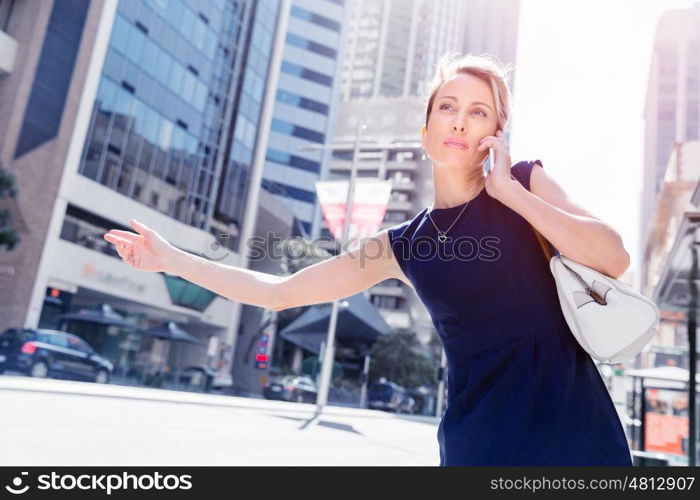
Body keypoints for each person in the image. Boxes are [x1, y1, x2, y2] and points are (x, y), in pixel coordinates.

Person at [103, 51, 633, 466]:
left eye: (479, 112)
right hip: (481, 443)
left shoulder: (524, 185)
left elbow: (614, 257)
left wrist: (512, 195)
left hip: (577, 433)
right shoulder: (401, 244)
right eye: (447, 107)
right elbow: (280, 293)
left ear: (495, 135)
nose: (460, 122)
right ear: (425, 131)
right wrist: (173, 260)